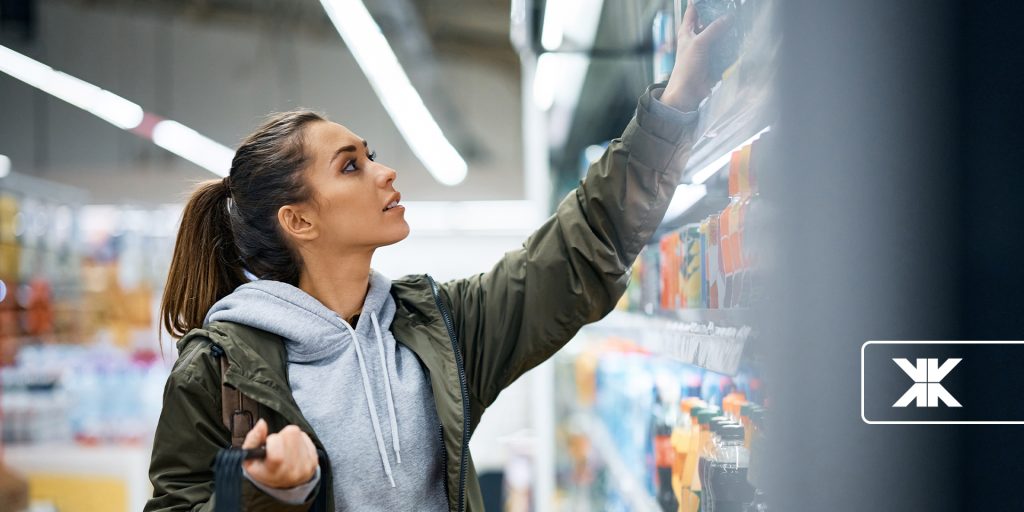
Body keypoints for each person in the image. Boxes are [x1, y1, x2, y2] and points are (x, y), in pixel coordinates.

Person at [145, 5, 729, 511]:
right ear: (299, 221)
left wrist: (677, 100)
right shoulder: (220, 373)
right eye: (351, 165)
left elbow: (578, 248)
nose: (384, 171)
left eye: (369, 155)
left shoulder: (436, 329)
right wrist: (265, 494)